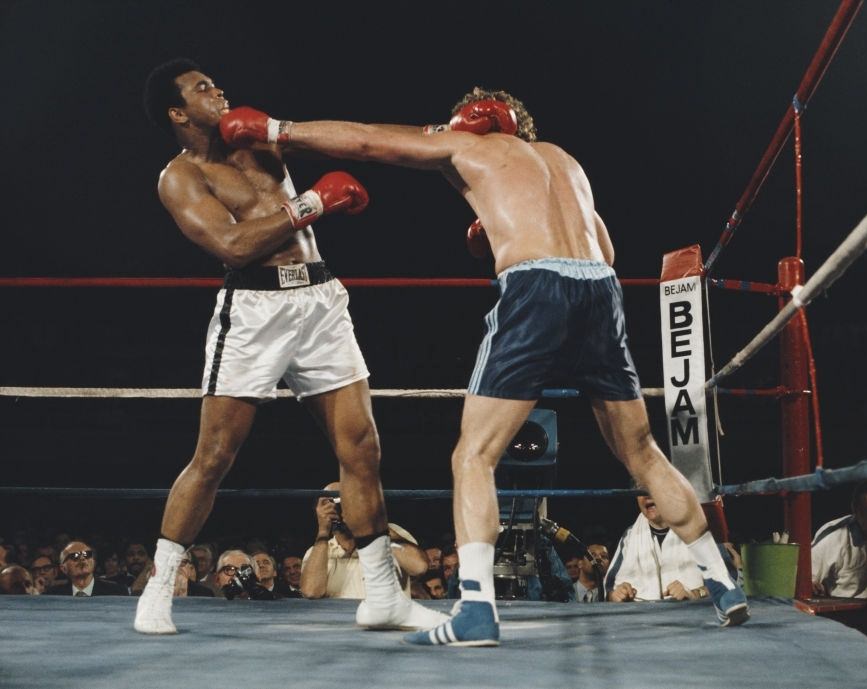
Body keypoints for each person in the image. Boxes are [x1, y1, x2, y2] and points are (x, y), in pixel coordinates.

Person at [218, 87, 750, 644]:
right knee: (641, 451)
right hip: (601, 291)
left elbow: (370, 141)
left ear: (469, 123)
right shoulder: (564, 159)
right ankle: (723, 583)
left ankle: (475, 611)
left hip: (536, 287)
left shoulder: (466, 149)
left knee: (474, 454)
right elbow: (607, 254)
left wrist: (279, 130)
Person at [134, 59, 447, 635]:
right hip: (254, 312)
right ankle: (158, 589)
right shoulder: (180, 177)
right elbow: (231, 245)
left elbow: (351, 140)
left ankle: (383, 596)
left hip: (321, 299)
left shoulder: (256, 140)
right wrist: (314, 204)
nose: (219, 89)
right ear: (178, 113)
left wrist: (439, 135)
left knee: (362, 448)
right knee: (215, 456)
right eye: (203, 88)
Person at [301, 482, 429, 599]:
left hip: (384, 622)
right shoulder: (317, 552)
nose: (337, 507)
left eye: (344, 500)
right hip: (339, 623)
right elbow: (311, 592)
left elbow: (419, 567)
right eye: (328, 502)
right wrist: (323, 531)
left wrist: (370, 522)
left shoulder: (388, 533)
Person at [605, 489, 708, 603]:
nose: (646, 496)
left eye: (651, 487)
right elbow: (609, 591)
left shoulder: (700, 531)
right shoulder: (629, 536)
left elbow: (726, 585)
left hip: (692, 617)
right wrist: (616, 595)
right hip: (642, 618)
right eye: (640, 491)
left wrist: (694, 594)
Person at [44, 541, 129, 596]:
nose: (82, 559)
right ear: (63, 568)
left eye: (87, 555)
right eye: (75, 556)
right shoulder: (52, 595)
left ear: (93, 562)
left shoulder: (117, 592)